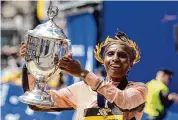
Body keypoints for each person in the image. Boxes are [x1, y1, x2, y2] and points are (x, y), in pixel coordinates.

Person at [19, 31, 148, 120]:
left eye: (122, 56)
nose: (115, 58)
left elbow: (123, 100)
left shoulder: (138, 90)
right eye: (110, 54)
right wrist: (32, 65)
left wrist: (83, 73)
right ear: (103, 61)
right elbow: (36, 103)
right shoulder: (82, 89)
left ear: (131, 64)